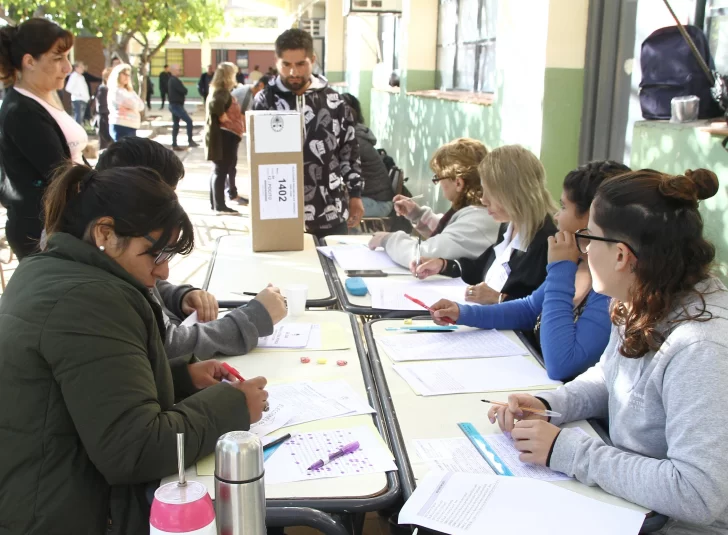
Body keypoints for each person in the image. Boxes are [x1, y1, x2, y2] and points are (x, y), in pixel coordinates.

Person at [0, 162, 270, 534]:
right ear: (105, 233)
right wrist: (235, 407)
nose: (164, 273)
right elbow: (135, 449)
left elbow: (91, 390)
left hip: (41, 494)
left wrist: (183, 378)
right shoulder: (89, 299)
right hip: (60, 515)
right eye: (155, 254)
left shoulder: (49, 271)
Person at [489, 169, 728, 535]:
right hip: (629, 506)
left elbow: (697, 492)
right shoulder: (639, 298)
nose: (583, 249)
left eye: (589, 238)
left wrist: (566, 451)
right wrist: (552, 404)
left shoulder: (701, 347)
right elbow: (610, 378)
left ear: (620, 255)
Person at [429, 161, 631, 381]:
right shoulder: (581, 265)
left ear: (591, 218)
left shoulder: (609, 285)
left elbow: (563, 365)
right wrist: (463, 313)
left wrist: (560, 267)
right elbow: (529, 308)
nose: (556, 217)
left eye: (564, 207)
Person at [96, 136, 288, 358]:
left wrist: (179, 296)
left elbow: (149, 288)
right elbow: (168, 347)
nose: (164, 271)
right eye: (156, 254)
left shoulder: (113, 249)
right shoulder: (100, 287)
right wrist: (253, 319)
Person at [253, 29, 363, 238]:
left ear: (312, 60)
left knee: (331, 270)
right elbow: (258, 160)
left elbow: (349, 152)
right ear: (277, 61)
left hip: (329, 213)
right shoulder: (264, 102)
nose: (293, 72)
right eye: (286, 64)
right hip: (278, 213)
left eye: (300, 64)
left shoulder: (335, 102)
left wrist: (356, 194)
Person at [416, 145, 558, 304]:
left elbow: (544, 308)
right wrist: (443, 265)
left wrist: (499, 299)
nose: (483, 200)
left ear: (512, 192)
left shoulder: (548, 242)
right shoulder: (508, 226)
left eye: (489, 192)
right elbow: (481, 269)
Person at [0, 19, 87, 259]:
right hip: (42, 230)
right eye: (58, 59)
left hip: (61, 221)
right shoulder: (22, 110)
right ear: (29, 62)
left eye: (67, 57)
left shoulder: (44, 97)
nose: (67, 68)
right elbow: (60, 172)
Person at [368, 138, 500, 269]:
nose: (439, 184)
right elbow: (451, 235)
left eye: (438, 178)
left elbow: (421, 256)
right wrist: (417, 215)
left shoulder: (478, 222)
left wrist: (387, 240)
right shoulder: (477, 214)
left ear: (458, 183)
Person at [341, 93, 394, 218]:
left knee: (333, 210)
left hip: (378, 203)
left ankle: (347, 237)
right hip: (371, 198)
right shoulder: (354, 135)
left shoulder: (354, 141)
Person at [225, 73, 271, 206]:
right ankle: (230, 192)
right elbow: (241, 116)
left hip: (234, 130)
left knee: (229, 165)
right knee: (227, 165)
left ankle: (230, 191)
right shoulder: (245, 94)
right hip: (229, 131)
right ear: (261, 85)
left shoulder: (252, 94)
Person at [205, 62, 244, 216]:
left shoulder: (219, 90)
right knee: (221, 170)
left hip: (225, 135)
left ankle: (216, 203)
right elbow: (216, 106)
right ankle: (220, 206)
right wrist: (226, 119)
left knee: (218, 170)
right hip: (224, 136)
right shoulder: (221, 92)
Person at [107, 62, 145, 140]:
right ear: (117, 75)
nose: (127, 77)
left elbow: (141, 106)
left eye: (128, 75)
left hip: (132, 126)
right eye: (124, 74)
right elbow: (133, 105)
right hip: (120, 125)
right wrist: (133, 106)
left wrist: (133, 105)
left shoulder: (130, 91)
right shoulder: (116, 90)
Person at [168, 64, 198, 150]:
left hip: (176, 105)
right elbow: (184, 90)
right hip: (175, 105)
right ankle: (190, 141)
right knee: (189, 121)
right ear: (173, 71)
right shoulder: (174, 80)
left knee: (176, 125)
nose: (180, 71)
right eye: (178, 70)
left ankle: (174, 144)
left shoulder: (174, 80)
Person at [65, 60, 90, 125]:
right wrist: (79, 94)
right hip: (78, 100)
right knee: (78, 117)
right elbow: (68, 88)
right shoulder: (74, 76)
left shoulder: (81, 77)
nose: (83, 68)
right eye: (81, 67)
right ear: (76, 68)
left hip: (83, 100)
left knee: (81, 118)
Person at [96, 67, 113, 150]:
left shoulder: (112, 88)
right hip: (104, 117)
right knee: (105, 141)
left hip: (110, 116)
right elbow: (101, 105)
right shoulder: (103, 88)